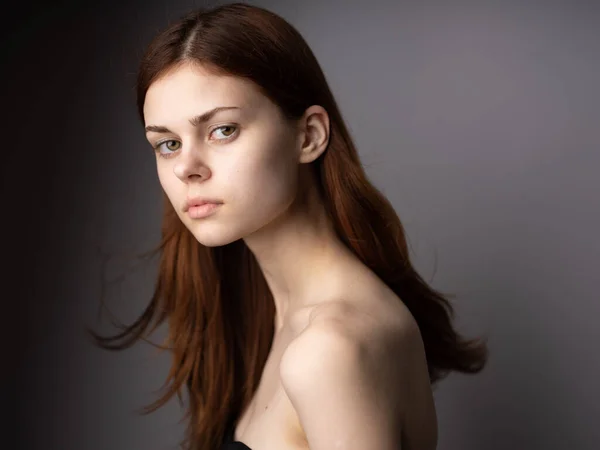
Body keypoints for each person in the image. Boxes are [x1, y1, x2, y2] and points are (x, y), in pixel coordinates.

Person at [90, 3, 488, 450]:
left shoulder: (329, 350)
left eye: (222, 130)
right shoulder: (269, 318)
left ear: (309, 136)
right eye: (167, 143)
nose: (187, 167)